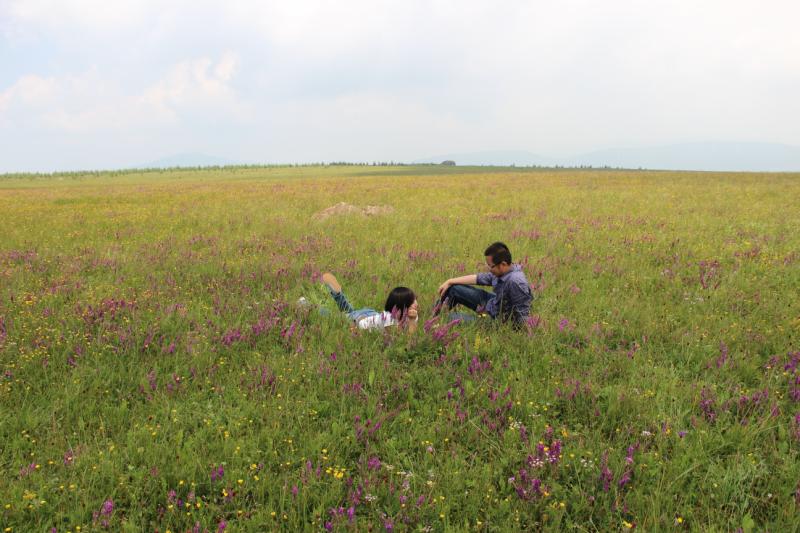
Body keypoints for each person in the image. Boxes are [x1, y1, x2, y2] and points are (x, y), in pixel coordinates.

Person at [435, 242, 532, 326]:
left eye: (491, 266)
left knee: (448, 319)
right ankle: (433, 315)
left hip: (497, 320)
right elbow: (479, 278)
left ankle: (436, 321)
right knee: (453, 288)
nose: (489, 269)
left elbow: (522, 316)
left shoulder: (516, 282)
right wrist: (450, 281)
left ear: (503, 264)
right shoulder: (504, 271)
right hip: (494, 303)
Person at [322, 272, 418, 331]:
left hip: (371, 315)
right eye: (413, 301)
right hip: (359, 320)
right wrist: (412, 321)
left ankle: (338, 294)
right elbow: (405, 341)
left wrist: (412, 319)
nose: (416, 303)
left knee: (350, 312)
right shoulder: (390, 320)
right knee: (332, 316)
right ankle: (307, 305)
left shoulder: (412, 315)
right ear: (404, 305)